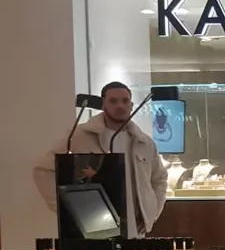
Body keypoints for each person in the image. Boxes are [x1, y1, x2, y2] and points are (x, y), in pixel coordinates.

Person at [33, 81, 168, 238]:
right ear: (103, 104)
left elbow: (159, 179)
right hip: (95, 225)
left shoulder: (144, 142)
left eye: (125, 101)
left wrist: (151, 213)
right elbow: (43, 170)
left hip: (136, 228)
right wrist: (66, 209)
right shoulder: (79, 136)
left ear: (131, 105)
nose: (120, 106)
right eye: (113, 101)